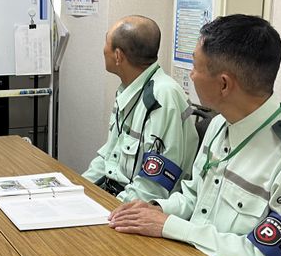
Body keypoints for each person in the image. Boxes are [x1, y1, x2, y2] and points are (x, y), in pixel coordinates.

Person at [109, 15, 281, 256]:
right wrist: (155, 210)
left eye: (195, 66)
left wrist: (170, 226)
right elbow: (194, 195)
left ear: (223, 84)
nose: (190, 76)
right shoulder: (221, 125)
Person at [82, 15, 199, 202]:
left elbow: (151, 189)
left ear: (118, 56)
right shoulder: (127, 89)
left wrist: (109, 209)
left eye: (106, 42)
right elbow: (108, 157)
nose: (103, 49)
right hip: (114, 195)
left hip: (136, 208)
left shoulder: (162, 97)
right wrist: (79, 189)